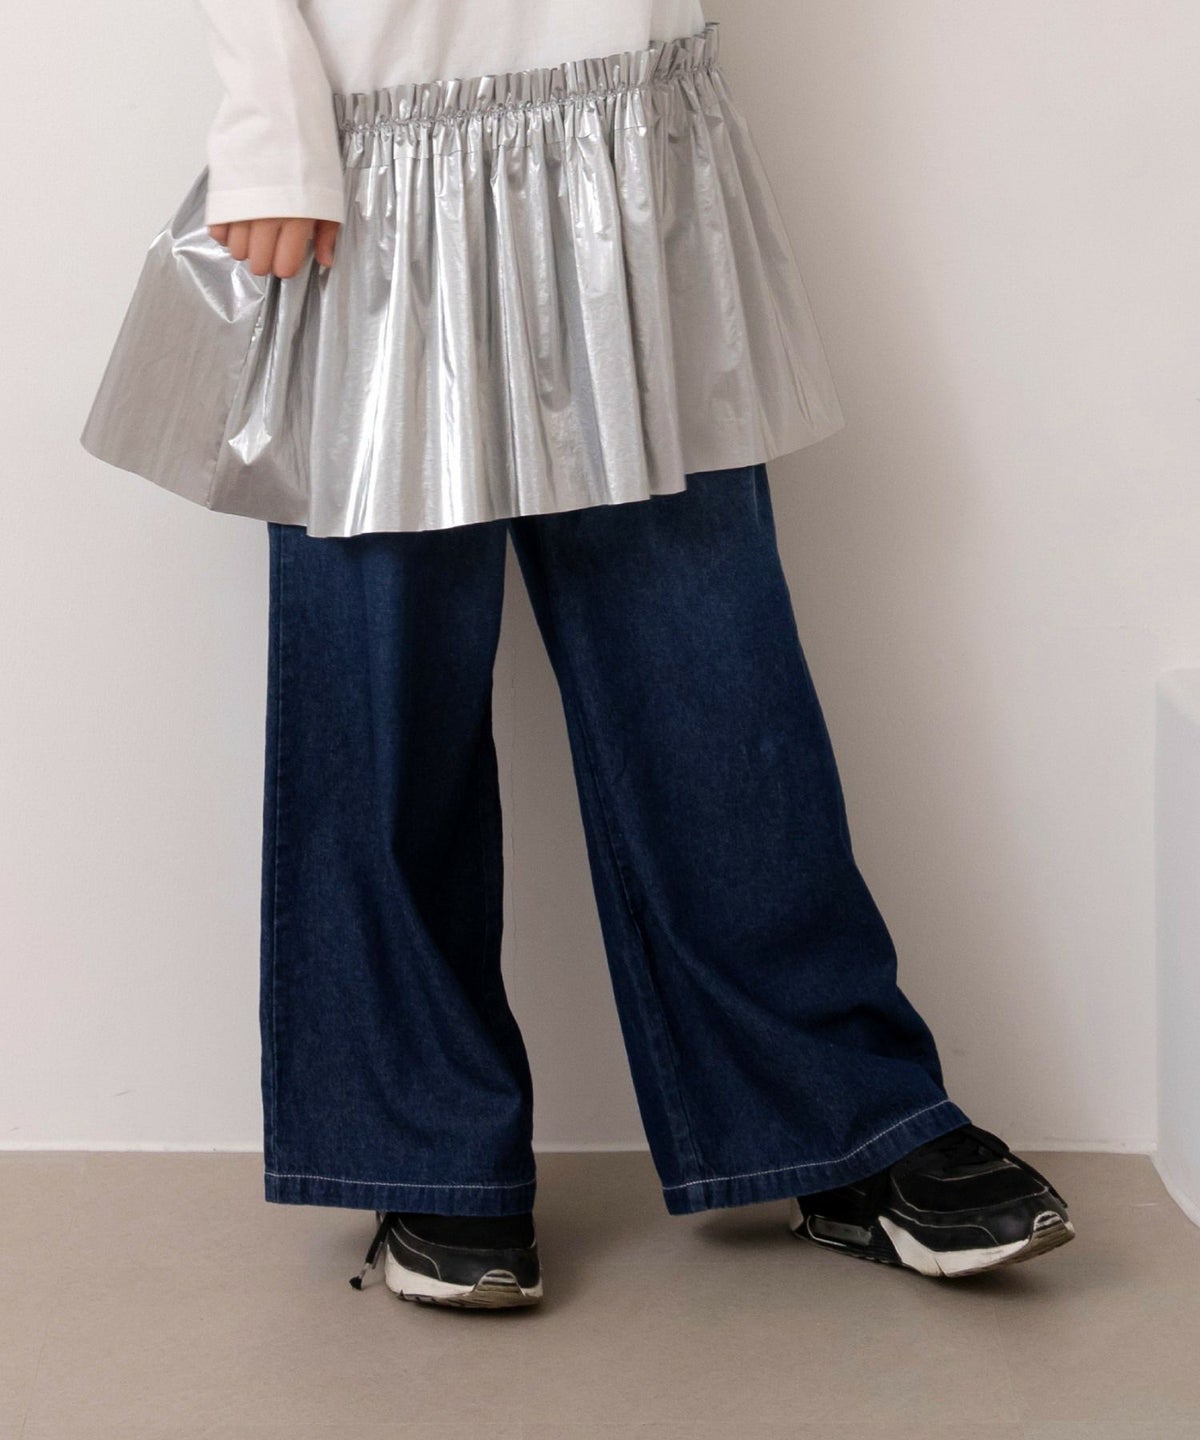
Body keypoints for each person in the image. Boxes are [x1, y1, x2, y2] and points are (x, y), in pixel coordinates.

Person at [80, 0, 1074, 1309]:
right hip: (366, 153)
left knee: (713, 677)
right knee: (384, 703)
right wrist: (271, 116)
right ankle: (428, 1152)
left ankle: (838, 1113)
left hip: (629, 119)